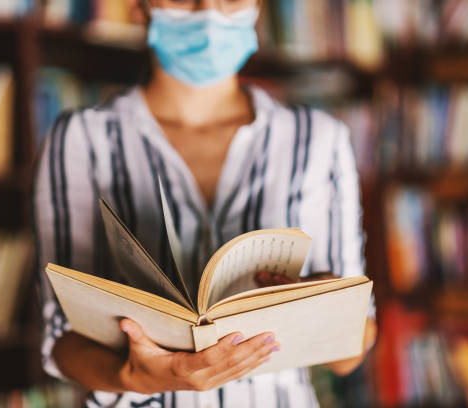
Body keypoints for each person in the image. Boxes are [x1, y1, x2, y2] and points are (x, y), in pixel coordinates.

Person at [33, 0, 378, 406]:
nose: (210, 10)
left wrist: (319, 304)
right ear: (138, 8)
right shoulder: (80, 137)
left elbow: (352, 349)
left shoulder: (319, 139)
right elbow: (61, 339)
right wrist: (138, 377)